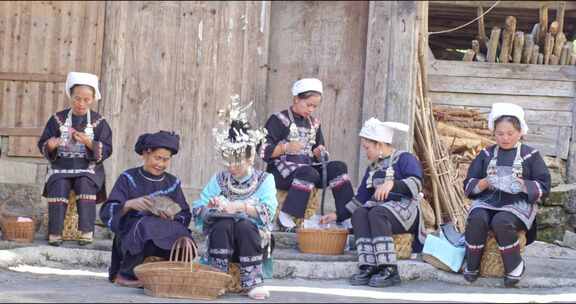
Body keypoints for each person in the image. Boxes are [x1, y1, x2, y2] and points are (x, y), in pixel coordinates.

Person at [323, 117, 425, 288]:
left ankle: (389, 269)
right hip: (384, 212)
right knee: (360, 213)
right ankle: (368, 266)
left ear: (379, 144)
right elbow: (361, 198)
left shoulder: (405, 158)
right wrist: (337, 215)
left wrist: (393, 183)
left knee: (377, 212)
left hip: (407, 212)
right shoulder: (372, 169)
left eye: (367, 147)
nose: (366, 152)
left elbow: (417, 183)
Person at [192, 96, 276, 300]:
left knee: (244, 225)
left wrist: (240, 207)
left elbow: (268, 211)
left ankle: (253, 281)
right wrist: (212, 207)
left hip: (251, 238)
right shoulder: (220, 179)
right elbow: (198, 206)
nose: (231, 167)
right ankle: (218, 277)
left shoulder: (265, 179)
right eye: (228, 160)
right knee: (223, 224)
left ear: (250, 157)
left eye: (237, 161)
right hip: (223, 238)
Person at [462, 103, 550, 287]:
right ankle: (472, 265)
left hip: (517, 202)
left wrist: (524, 185)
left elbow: (544, 184)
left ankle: (514, 266)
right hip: (488, 199)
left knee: (501, 221)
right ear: (494, 133)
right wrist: (484, 182)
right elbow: (469, 183)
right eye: (500, 133)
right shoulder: (486, 154)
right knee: (477, 218)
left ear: (520, 132)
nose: (505, 138)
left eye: (510, 133)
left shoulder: (530, 155)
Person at [99, 131, 193, 288]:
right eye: (157, 158)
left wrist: (172, 217)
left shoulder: (173, 182)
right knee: (146, 224)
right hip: (132, 239)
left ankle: (171, 272)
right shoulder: (128, 178)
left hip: (163, 238)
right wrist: (129, 204)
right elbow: (107, 211)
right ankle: (125, 275)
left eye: (166, 159)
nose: (161, 164)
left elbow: (184, 213)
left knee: (183, 234)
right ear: (145, 154)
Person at [260, 78, 354, 231]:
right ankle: (286, 215)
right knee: (308, 172)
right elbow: (262, 150)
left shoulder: (314, 123)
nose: (311, 109)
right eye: (308, 104)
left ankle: (345, 216)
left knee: (338, 167)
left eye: (314, 106)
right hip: (281, 172)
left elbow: (318, 151)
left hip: (308, 171)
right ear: (296, 99)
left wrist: (319, 153)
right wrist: (286, 147)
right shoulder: (278, 120)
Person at [37, 72, 112, 246]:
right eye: (77, 98)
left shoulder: (99, 122)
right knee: (58, 184)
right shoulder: (58, 119)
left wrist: (88, 142)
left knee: (85, 184)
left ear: (93, 99)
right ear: (70, 97)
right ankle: (55, 233)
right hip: (61, 167)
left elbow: (107, 148)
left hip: (88, 168)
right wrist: (51, 144)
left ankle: (86, 231)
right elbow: (43, 143)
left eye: (86, 99)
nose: (81, 103)